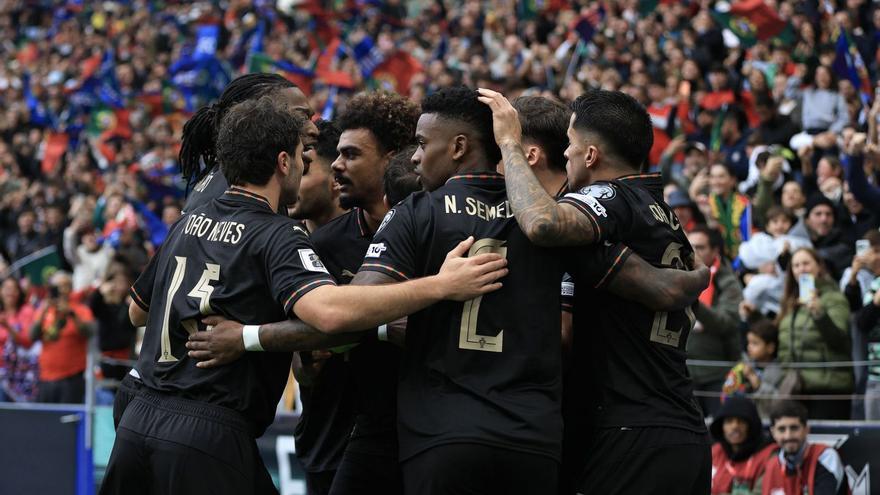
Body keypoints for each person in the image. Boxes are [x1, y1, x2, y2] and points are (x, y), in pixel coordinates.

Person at [100, 96, 506, 495]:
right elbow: (330, 314)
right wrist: (440, 285)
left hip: (138, 421)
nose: (309, 166)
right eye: (302, 156)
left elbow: (138, 310)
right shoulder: (277, 233)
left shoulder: (188, 222)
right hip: (206, 429)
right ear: (283, 163)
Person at [479, 87, 711, 494]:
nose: (565, 154)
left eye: (570, 144)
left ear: (590, 156)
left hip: (631, 432)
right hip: (680, 427)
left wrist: (510, 143)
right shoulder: (662, 213)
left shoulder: (610, 196)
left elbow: (543, 224)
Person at [285, 117, 351, 495]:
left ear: (335, 177)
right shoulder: (286, 249)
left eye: (305, 167)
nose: (292, 178)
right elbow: (304, 371)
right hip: (317, 434)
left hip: (364, 438)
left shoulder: (378, 243)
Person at [179, 73, 318, 215]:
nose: (315, 130)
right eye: (301, 116)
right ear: (255, 116)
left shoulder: (230, 180)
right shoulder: (249, 194)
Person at [776, 248, 853, 419]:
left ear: (819, 267)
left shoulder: (834, 298)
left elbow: (840, 340)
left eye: (806, 263)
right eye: (796, 265)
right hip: (797, 389)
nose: (801, 269)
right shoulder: (790, 302)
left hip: (828, 390)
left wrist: (820, 314)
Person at [687, 225, 743, 417]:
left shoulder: (728, 282)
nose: (693, 252)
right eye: (689, 246)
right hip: (683, 373)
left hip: (716, 374)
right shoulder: (677, 276)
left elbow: (725, 323)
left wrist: (693, 301)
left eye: (700, 247)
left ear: (714, 251)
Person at [758, 401, 847, 495]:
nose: (788, 436)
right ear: (773, 433)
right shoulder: (772, 466)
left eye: (794, 428)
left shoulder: (825, 457)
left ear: (806, 429)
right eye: (781, 429)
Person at [30, 271, 93, 404]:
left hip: (71, 377)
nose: (61, 290)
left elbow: (89, 333)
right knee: (46, 421)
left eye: (65, 286)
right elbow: (32, 336)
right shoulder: (44, 308)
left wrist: (71, 314)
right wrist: (44, 311)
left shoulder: (81, 309)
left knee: (67, 421)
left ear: (71, 288)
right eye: (57, 286)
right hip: (45, 377)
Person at [709, 396, 776, 495]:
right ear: (721, 426)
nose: (735, 426)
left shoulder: (769, 456)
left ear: (751, 425)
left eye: (741, 421)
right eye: (729, 421)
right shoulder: (714, 452)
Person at [290, 119, 346, 233]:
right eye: (289, 172)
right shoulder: (280, 240)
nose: (290, 183)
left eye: (303, 172)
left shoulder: (374, 233)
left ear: (337, 179)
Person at [721, 319, 784, 417]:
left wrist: (755, 381)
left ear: (770, 348)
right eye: (749, 342)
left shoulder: (778, 372)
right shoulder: (744, 365)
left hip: (765, 420)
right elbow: (727, 393)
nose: (749, 347)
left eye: (755, 343)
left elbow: (777, 402)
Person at [0, 276, 37, 402]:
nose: (10, 292)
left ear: (19, 292)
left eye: (14, 288)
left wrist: (8, 327)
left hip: (19, 376)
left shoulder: (26, 311)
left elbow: (27, 342)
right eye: (6, 288)